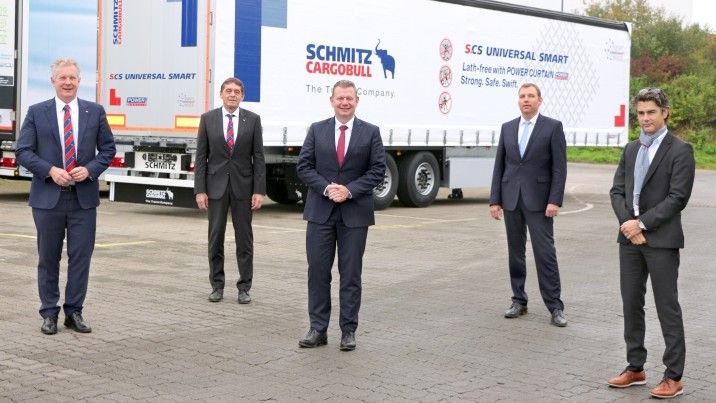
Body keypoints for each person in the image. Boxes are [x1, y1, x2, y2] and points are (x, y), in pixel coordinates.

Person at [16, 58, 116, 335]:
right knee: (48, 258)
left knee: (81, 257)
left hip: (83, 200)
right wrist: (49, 170)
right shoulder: (37, 112)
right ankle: (49, 313)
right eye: (63, 78)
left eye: (72, 78)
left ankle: (74, 312)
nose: (68, 82)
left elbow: (108, 149)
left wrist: (91, 169)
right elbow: (23, 151)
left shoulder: (95, 112)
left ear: (79, 81)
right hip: (48, 200)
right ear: (53, 81)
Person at [607, 88, 695, 399]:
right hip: (629, 239)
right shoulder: (631, 149)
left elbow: (678, 198)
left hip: (661, 241)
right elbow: (617, 191)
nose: (645, 118)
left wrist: (642, 223)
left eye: (651, 112)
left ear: (665, 113)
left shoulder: (680, 150)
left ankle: (674, 376)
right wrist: (629, 226)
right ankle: (635, 367)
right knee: (631, 303)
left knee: (666, 306)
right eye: (641, 113)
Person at [296, 79, 386, 351]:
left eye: (349, 98)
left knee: (351, 274)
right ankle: (318, 329)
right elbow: (304, 166)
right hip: (320, 213)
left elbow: (377, 170)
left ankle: (348, 330)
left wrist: (349, 190)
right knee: (318, 273)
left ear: (357, 101)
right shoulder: (317, 129)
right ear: (332, 100)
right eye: (340, 98)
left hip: (354, 214)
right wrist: (327, 188)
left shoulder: (371, 132)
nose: (345, 102)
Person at [489, 82, 568, 327]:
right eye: (522, 96)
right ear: (518, 100)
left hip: (540, 202)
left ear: (539, 100)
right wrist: (495, 200)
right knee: (515, 253)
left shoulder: (552, 127)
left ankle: (555, 306)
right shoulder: (508, 128)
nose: (526, 99)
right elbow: (500, 165)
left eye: (531, 96)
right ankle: (518, 300)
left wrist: (554, 199)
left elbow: (559, 167)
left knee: (545, 254)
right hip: (511, 199)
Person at [194, 77, 266, 304]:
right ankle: (217, 286)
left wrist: (259, 191)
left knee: (244, 239)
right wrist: (200, 190)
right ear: (221, 94)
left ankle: (244, 288)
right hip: (215, 188)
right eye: (228, 91)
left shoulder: (253, 120)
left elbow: (259, 157)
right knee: (215, 238)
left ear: (242, 95)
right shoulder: (208, 119)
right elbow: (201, 157)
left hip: (243, 188)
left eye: (237, 91)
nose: (232, 94)